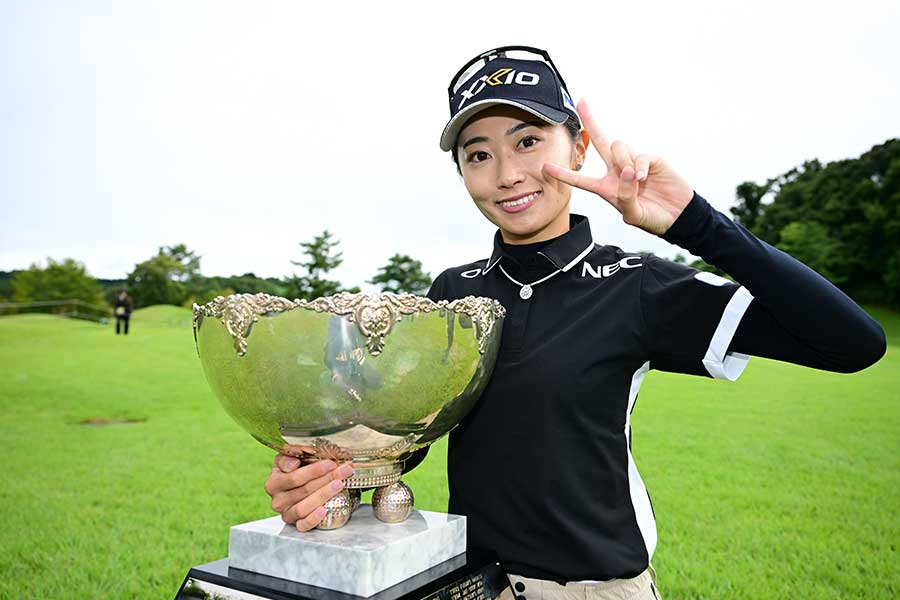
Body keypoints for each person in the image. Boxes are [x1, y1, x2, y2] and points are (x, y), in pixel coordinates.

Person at [264, 46, 886, 599]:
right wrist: (327, 470)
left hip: (594, 588)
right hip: (468, 584)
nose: (506, 174)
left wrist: (694, 223)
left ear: (579, 146)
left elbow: (853, 342)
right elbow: (411, 436)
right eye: (478, 155)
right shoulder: (453, 294)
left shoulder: (636, 284)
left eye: (528, 141)